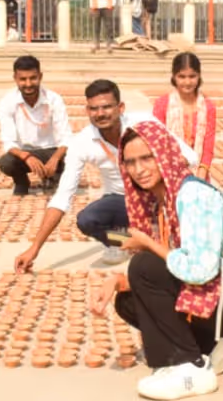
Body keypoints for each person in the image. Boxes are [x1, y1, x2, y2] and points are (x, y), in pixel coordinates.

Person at [91, 121, 223, 400]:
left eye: (147, 158)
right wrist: (117, 280)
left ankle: (191, 368)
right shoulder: (165, 200)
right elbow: (176, 266)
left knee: (144, 266)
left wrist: (147, 243)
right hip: (220, 298)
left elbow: (199, 271)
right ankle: (202, 349)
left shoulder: (193, 195)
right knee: (128, 301)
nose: (139, 169)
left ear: (164, 155)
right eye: (130, 162)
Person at [14, 80, 198, 271]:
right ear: (87, 111)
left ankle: (164, 235)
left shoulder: (145, 124)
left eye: (107, 107)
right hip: (122, 199)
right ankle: (127, 243)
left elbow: (189, 157)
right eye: (94, 109)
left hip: (159, 194)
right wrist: (34, 248)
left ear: (120, 107)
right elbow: (62, 197)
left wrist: (159, 174)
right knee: (88, 220)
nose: (100, 114)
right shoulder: (82, 143)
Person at [0, 56, 71, 195]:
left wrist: (55, 159)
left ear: (40, 76)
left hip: (51, 151)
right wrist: (26, 157)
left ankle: (53, 177)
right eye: (23, 79)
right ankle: (22, 182)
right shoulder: (7, 101)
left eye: (33, 78)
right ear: (15, 78)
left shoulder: (54, 99)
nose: (28, 83)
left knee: (73, 156)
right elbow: (9, 142)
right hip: (24, 153)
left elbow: (66, 137)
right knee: (6, 162)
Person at [152, 52, 217, 181]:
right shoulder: (162, 104)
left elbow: (208, 146)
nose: (187, 82)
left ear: (199, 76)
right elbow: (156, 142)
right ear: (174, 77)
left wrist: (201, 175)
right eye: (182, 76)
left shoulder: (208, 107)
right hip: (168, 173)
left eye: (192, 76)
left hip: (199, 173)